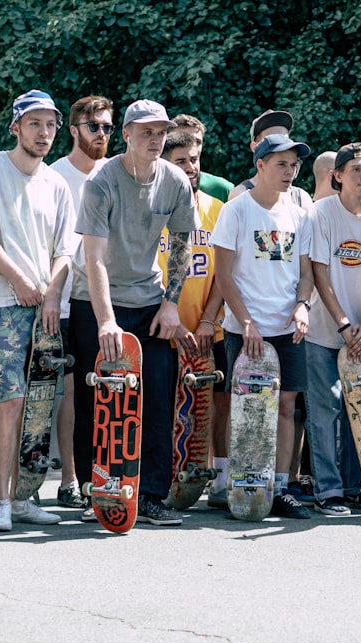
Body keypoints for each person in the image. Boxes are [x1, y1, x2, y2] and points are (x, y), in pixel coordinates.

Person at [69, 100, 197, 527]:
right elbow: (94, 259)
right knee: (99, 401)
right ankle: (98, 491)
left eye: (161, 132)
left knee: (158, 398)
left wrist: (171, 303)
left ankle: (152, 496)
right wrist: (106, 320)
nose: (155, 140)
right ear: (126, 135)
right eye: (146, 132)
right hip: (97, 303)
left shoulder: (175, 180)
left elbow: (182, 246)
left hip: (150, 303)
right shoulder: (102, 182)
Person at [0, 90, 75, 532]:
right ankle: (0, 501)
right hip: (1, 304)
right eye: (34, 124)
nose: (43, 133)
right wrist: (19, 280)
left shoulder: (58, 183)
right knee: (10, 400)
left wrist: (50, 293)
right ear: (16, 128)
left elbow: (66, 250)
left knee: (41, 404)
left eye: (50, 125)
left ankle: (27, 496)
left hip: (47, 306)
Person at [211, 133, 315, 519]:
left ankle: (281, 489)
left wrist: (303, 306)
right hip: (246, 329)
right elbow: (223, 275)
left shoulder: (300, 214)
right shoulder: (236, 210)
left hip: (286, 328)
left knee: (287, 406)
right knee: (248, 408)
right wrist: (247, 322)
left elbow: (306, 273)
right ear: (260, 166)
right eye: (281, 164)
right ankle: (243, 484)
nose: (290, 172)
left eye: (294, 165)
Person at [304, 142, 361, 516]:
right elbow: (319, 272)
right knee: (324, 411)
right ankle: (329, 490)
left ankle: (356, 486)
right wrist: (343, 324)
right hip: (325, 331)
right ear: (336, 176)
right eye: (357, 169)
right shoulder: (320, 213)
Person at [156, 131, 231, 511]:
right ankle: (168, 479)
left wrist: (206, 320)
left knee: (217, 403)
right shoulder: (152, 209)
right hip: (167, 330)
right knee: (169, 408)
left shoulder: (218, 209)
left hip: (207, 329)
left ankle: (219, 478)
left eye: (195, 159)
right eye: (181, 160)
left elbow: (224, 273)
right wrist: (175, 321)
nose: (190, 167)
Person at [49, 95, 113, 515]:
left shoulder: (116, 173)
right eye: (94, 127)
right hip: (67, 297)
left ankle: (109, 475)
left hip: (106, 297)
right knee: (71, 392)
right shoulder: (55, 177)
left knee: (110, 390)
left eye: (108, 127)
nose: (102, 135)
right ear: (73, 130)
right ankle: (71, 480)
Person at [227, 109, 313, 210]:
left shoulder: (301, 198)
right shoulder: (240, 195)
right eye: (273, 140)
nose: (281, 145)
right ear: (254, 147)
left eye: (284, 139)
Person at [169, 113, 235, 202]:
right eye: (184, 140)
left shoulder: (222, 188)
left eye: (197, 141)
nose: (192, 145)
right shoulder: (154, 186)